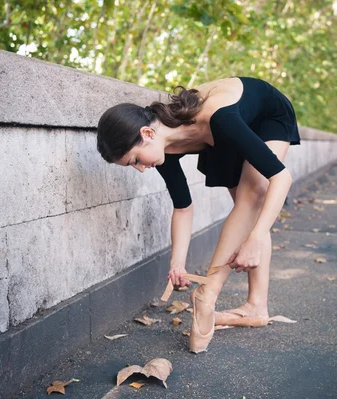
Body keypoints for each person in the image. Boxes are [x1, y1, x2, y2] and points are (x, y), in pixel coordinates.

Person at [97, 77, 300, 353]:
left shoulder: (221, 120)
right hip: (217, 137)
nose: (141, 169)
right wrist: (176, 265)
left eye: (135, 160)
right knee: (249, 206)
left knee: (254, 194)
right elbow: (183, 207)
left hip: (265, 113)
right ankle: (256, 308)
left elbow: (281, 177)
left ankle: (207, 294)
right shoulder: (162, 150)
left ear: (146, 133)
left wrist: (256, 237)